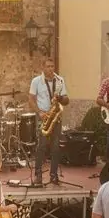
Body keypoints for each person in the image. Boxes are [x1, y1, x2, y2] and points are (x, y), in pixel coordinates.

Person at [29, 56, 69, 187]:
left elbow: (67, 100)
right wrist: (40, 112)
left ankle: (54, 176)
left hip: (55, 116)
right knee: (41, 147)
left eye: (52, 66)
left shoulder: (60, 80)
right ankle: (38, 175)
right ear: (43, 67)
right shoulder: (36, 81)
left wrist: (60, 98)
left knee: (56, 148)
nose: (51, 69)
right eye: (48, 66)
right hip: (44, 116)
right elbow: (31, 100)